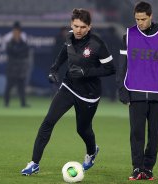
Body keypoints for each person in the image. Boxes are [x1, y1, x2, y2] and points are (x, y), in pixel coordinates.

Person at [21, 9, 115, 175]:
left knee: (82, 129)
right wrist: (54, 69)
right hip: (69, 86)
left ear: (89, 27)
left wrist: (86, 73)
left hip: (89, 95)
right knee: (48, 122)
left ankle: (92, 151)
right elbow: (64, 53)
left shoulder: (97, 43)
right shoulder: (69, 37)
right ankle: (34, 164)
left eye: (83, 27)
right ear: (71, 24)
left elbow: (110, 69)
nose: (78, 30)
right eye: (75, 26)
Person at [117, 1, 158, 180]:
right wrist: (121, 89)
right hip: (134, 92)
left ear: (151, 16)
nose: (139, 23)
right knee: (136, 134)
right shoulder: (128, 35)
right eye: (137, 19)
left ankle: (148, 168)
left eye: (143, 19)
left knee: (154, 135)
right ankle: (137, 168)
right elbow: (122, 66)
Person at [4, 23, 30, 107]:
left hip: (21, 68)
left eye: (17, 32)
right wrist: (19, 53)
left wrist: (17, 52)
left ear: (19, 33)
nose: (16, 33)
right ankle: (6, 103)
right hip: (12, 68)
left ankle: (23, 103)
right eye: (14, 32)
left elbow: (26, 53)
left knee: (21, 87)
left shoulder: (23, 43)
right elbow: (10, 53)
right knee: (9, 86)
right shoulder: (10, 43)